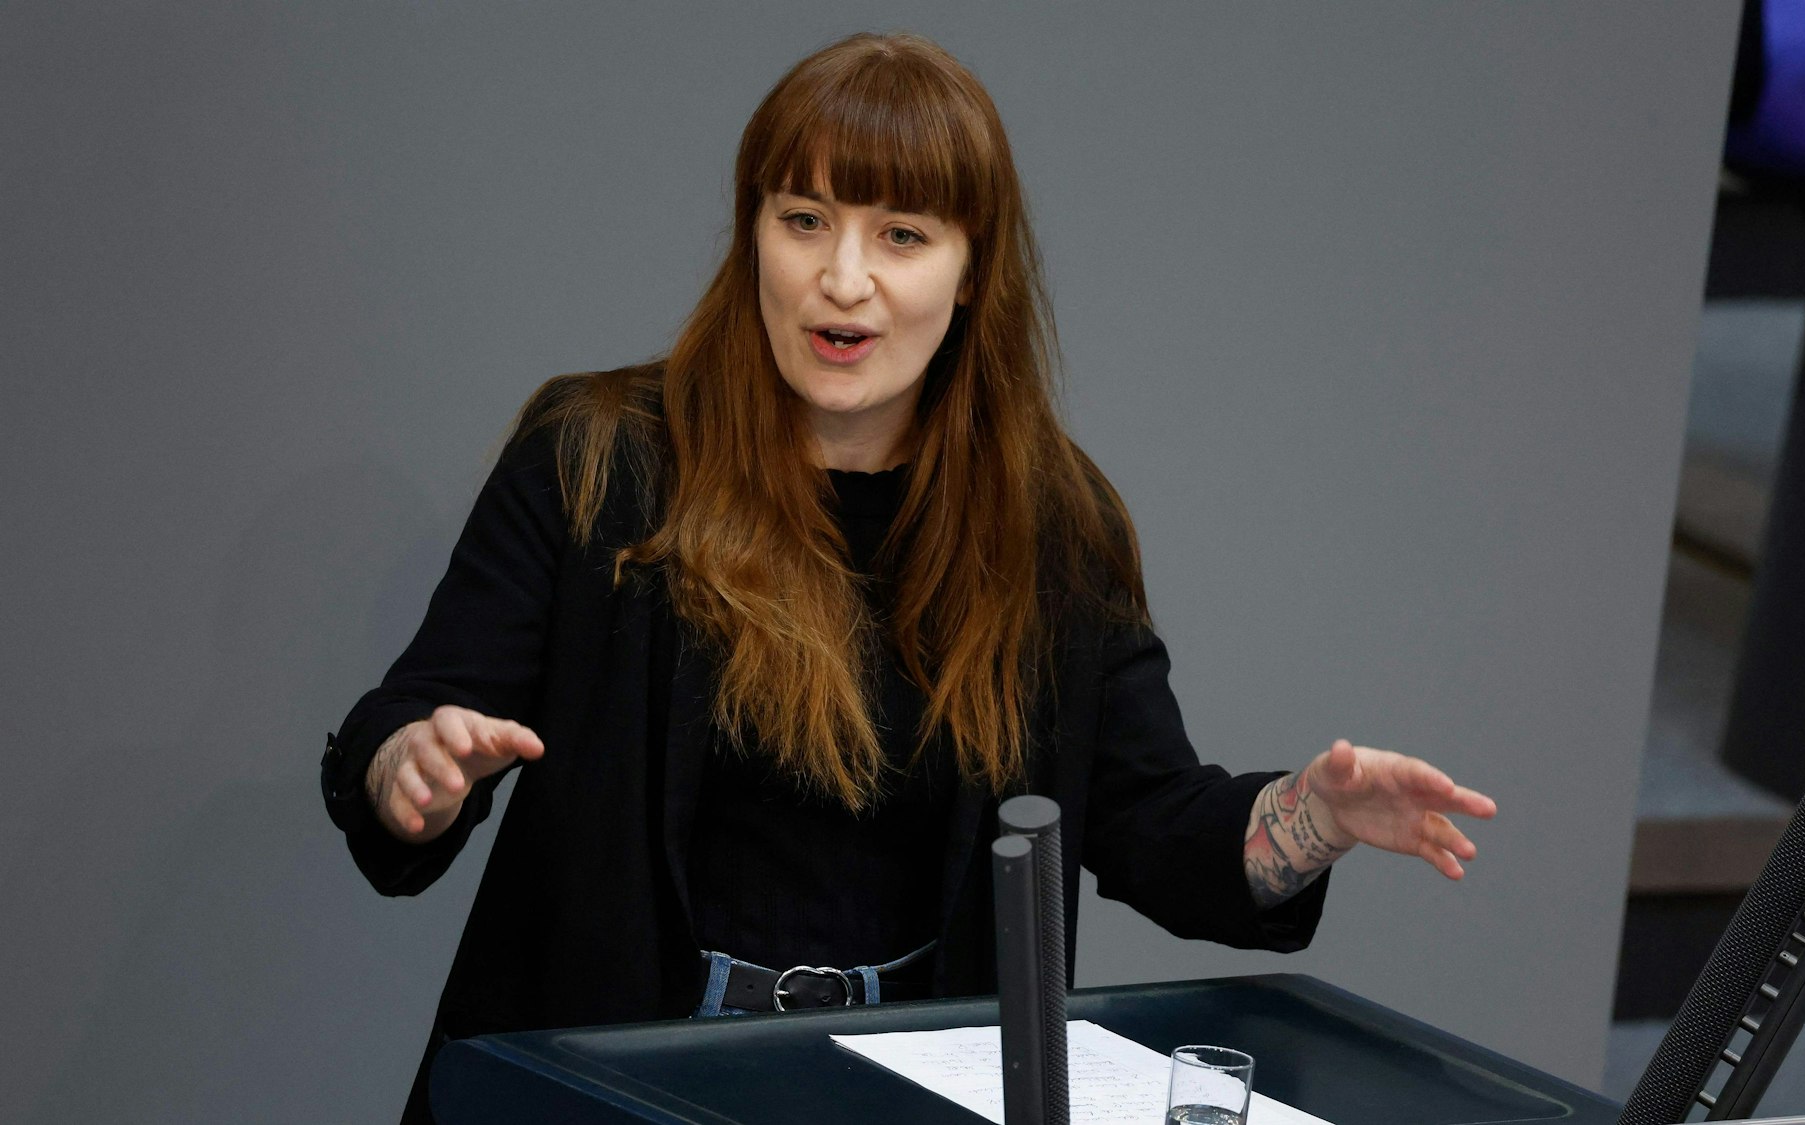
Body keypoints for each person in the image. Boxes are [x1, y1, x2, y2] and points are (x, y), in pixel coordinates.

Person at [319, 30, 1497, 1125]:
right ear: (752, 234)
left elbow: (1149, 822)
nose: (842, 278)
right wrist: (412, 767)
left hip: (909, 1083)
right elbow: (404, 722)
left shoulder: (1052, 525)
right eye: (803, 220)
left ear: (971, 271)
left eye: (900, 235)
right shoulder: (593, 460)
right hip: (611, 1078)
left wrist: (1313, 817)